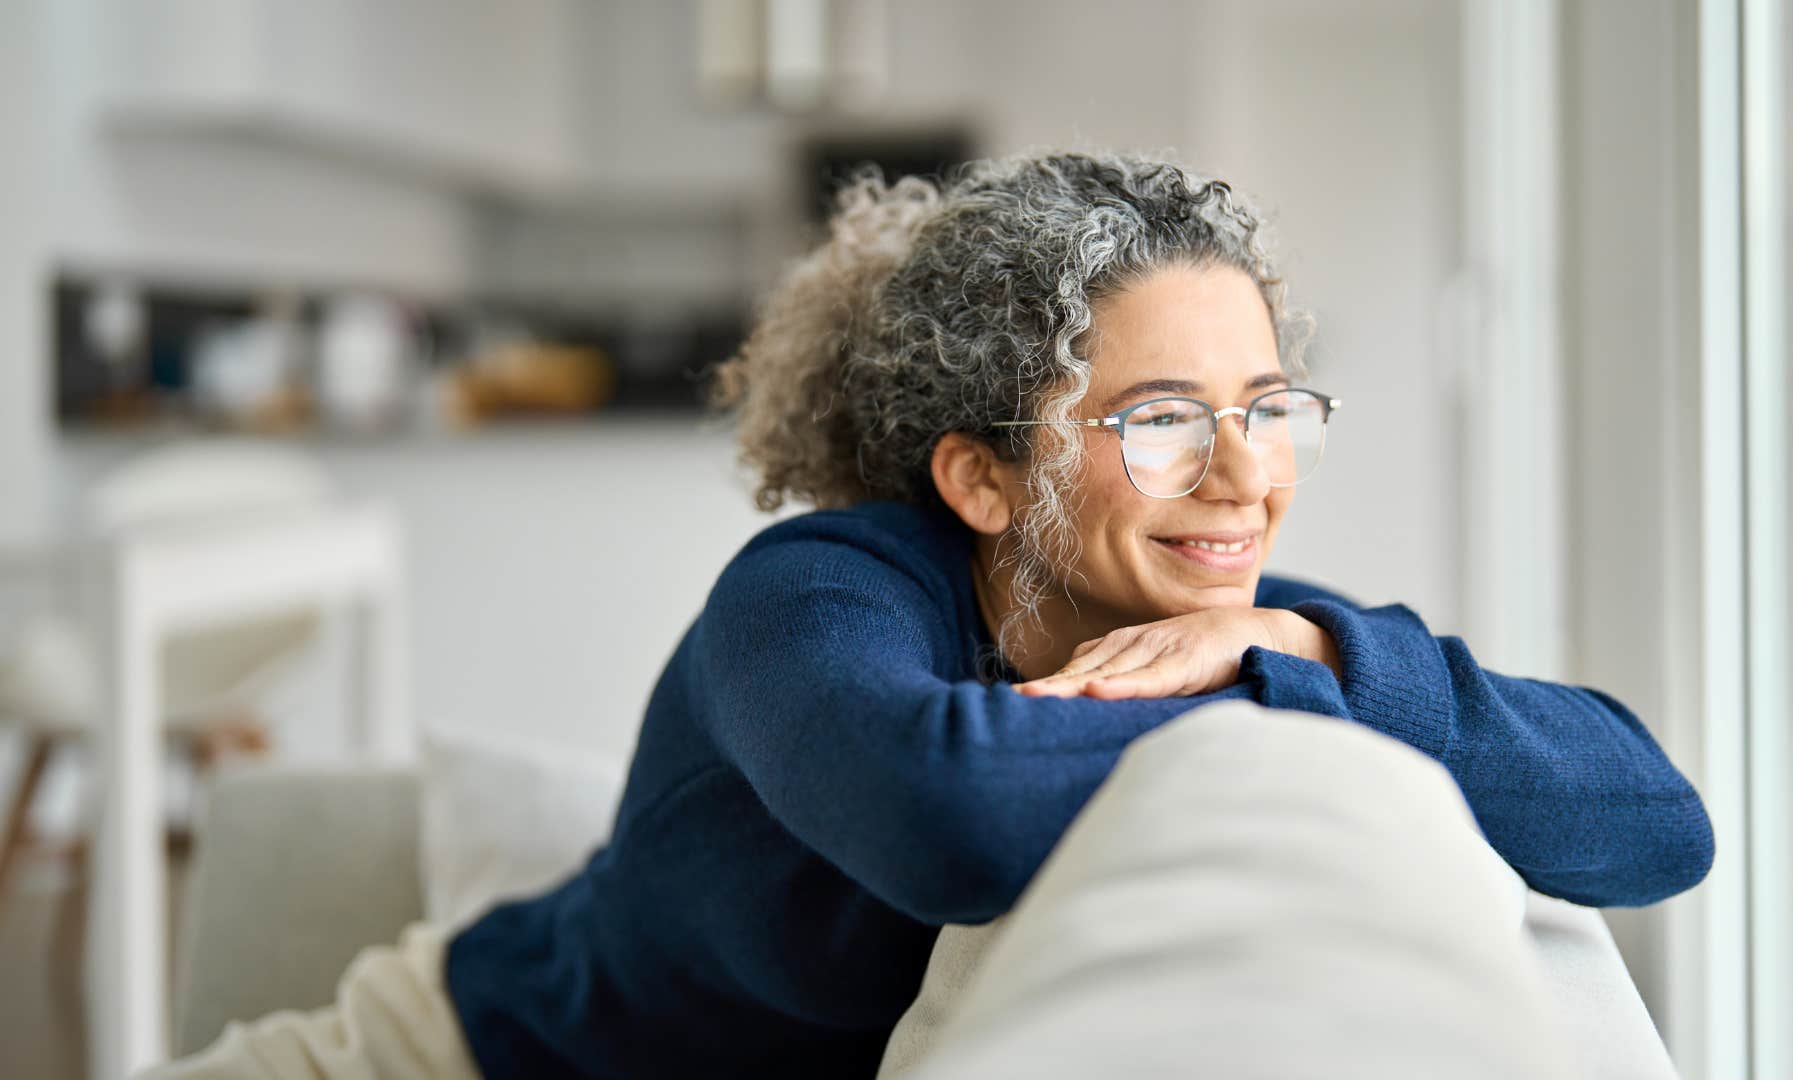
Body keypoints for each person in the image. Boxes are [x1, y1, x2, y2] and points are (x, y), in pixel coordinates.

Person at [151, 151, 1713, 1080]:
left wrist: (1299, 657)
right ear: (978, 475)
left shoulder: (1241, 620)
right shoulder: (814, 599)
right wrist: (1275, 700)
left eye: (1270, 404)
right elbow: (945, 816)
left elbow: (1654, 820)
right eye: (1163, 417)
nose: (1247, 472)